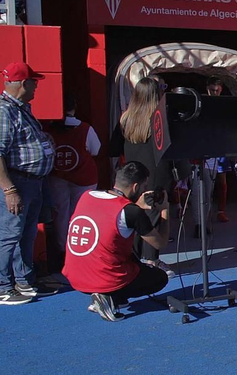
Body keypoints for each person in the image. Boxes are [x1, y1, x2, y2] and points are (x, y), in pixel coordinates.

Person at [0, 62, 55, 306]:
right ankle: (1, 288)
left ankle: (24, 281)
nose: (36, 86)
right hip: (17, 182)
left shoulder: (21, 109)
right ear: (24, 83)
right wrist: (9, 190)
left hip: (31, 181)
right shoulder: (2, 110)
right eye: (34, 81)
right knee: (9, 235)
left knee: (26, 233)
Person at [63, 162, 173, 322]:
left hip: (75, 275)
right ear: (136, 187)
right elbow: (160, 243)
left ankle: (110, 296)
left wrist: (135, 207)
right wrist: (164, 210)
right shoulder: (131, 212)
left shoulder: (87, 196)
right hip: (104, 276)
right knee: (160, 278)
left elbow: (109, 218)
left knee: (127, 257)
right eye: (143, 186)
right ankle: (108, 295)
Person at [110, 77, 177, 269]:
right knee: (154, 215)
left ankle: (136, 258)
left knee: (134, 215)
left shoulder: (126, 118)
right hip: (157, 172)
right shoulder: (161, 118)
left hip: (132, 173)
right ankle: (151, 259)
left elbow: (114, 148)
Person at [45, 94, 102, 268]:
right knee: (82, 214)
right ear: (74, 107)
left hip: (58, 176)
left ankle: (63, 249)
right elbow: (96, 150)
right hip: (84, 177)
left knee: (60, 214)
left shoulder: (49, 129)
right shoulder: (85, 128)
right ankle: (81, 248)